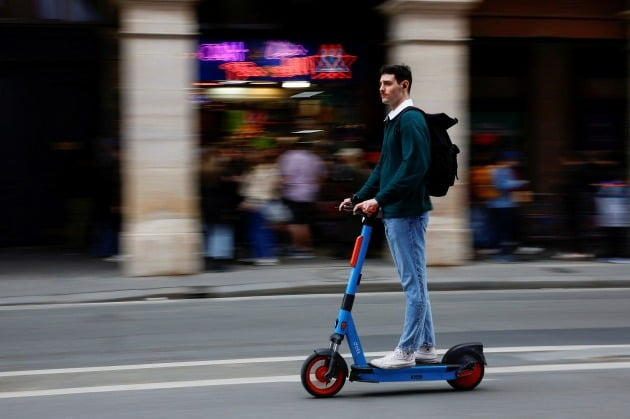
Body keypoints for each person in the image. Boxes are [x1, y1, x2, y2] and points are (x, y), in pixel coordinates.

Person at [339, 64, 436, 368]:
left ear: (403, 85)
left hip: (407, 214)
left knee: (413, 285)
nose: (381, 88)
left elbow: (414, 168)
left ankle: (406, 352)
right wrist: (358, 197)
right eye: (380, 84)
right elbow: (384, 169)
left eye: (387, 84)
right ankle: (426, 346)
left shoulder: (411, 120)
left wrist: (379, 199)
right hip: (396, 213)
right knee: (417, 283)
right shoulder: (393, 121)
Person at [277, 137, 327, 258]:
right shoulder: (313, 157)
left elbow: (285, 177)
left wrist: (280, 189)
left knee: (295, 223)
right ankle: (308, 249)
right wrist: (315, 187)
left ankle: (298, 248)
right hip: (309, 194)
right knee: (304, 223)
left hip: (293, 193)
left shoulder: (288, 157)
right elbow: (322, 175)